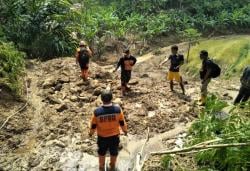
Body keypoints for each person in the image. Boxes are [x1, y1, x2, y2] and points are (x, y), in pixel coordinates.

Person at [89, 90, 128, 171]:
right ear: (111, 99)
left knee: (101, 152)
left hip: (102, 137)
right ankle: (112, 166)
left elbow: (93, 126)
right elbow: (122, 123)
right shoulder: (118, 110)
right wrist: (125, 131)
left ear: (101, 99)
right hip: (114, 137)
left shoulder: (97, 112)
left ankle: (101, 167)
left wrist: (90, 134)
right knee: (114, 152)